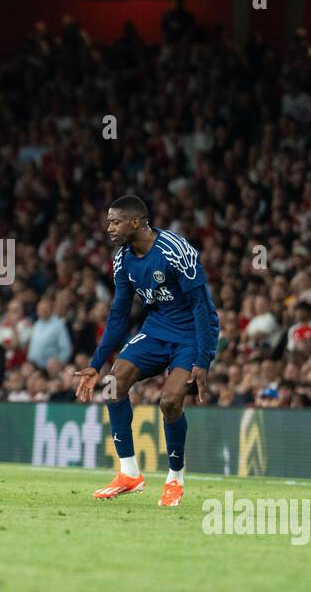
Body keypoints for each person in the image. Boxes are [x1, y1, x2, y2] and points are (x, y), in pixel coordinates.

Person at [74, 195, 220, 507]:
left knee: (169, 402)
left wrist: (203, 359)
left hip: (192, 334)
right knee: (113, 386)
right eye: (108, 221)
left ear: (136, 222)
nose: (109, 227)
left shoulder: (175, 251)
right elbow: (118, 315)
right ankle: (129, 474)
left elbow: (202, 309)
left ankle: (175, 479)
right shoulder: (122, 260)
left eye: (115, 221)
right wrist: (96, 364)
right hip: (157, 330)